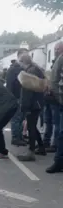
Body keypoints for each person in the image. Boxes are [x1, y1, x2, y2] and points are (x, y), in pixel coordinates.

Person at [16, 54, 46, 161]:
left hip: (33, 104)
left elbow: (28, 91)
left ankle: (31, 151)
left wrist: (25, 106)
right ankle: (41, 147)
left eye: (20, 62)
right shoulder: (35, 69)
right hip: (37, 102)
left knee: (31, 127)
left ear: (23, 61)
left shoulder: (30, 71)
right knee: (33, 125)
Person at [6, 49, 29, 146]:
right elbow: (10, 84)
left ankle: (18, 137)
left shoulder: (18, 68)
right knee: (16, 118)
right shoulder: (14, 69)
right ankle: (16, 137)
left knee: (20, 118)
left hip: (20, 96)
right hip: (16, 96)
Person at [46, 41, 63, 173]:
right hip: (60, 101)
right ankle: (59, 161)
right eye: (55, 48)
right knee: (61, 132)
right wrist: (59, 98)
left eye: (58, 48)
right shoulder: (60, 60)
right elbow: (54, 80)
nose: (56, 50)